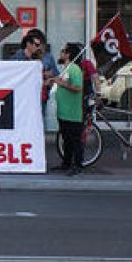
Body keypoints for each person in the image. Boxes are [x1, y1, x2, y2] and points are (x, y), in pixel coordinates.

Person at [51, 43, 84, 175]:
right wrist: (53, 80)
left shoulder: (74, 69)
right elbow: (63, 82)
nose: (61, 53)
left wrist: (62, 83)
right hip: (64, 112)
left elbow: (78, 87)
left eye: (63, 51)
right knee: (67, 140)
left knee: (75, 140)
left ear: (68, 54)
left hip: (72, 112)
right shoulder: (66, 68)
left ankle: (77, 165)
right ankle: (66, 163)